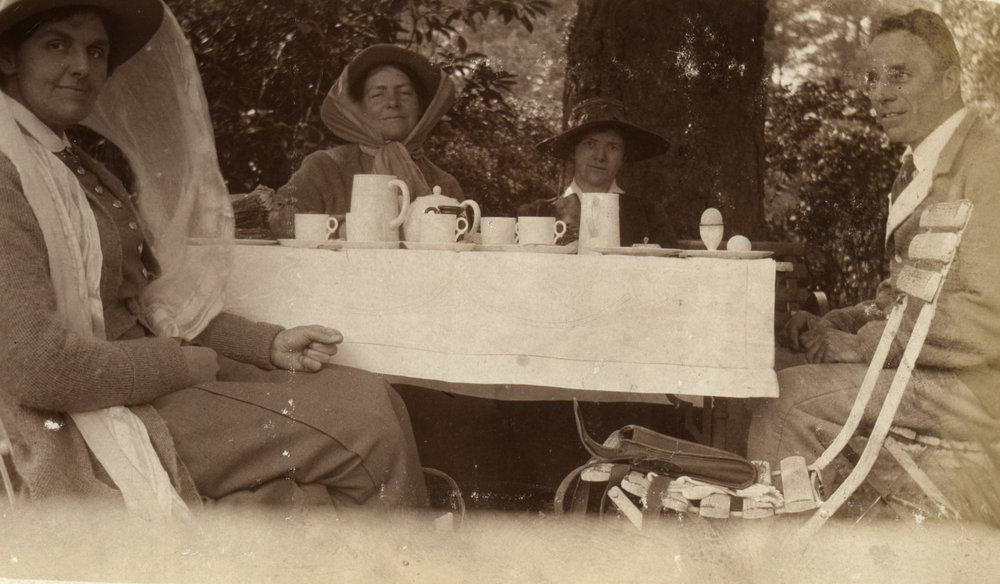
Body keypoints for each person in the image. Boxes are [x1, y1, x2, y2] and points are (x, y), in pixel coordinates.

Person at [0, 0, 428, 517]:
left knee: (370, 394)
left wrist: (265, 343)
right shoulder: (9, 175)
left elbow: (148, 306)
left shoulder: (73, 165)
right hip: (86, 412)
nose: (82, 66)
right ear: (7, 56)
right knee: (368, 433)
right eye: (56, 45)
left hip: (137, 379)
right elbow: (37, 367)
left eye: (96, 51)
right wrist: (177, 364)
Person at [748, 9, 1000, 521]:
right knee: (763, 376)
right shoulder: (918, 168)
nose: (878, 93)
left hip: (974, 391)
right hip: (932, 377)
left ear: (950, 81)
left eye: (899, 75)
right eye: (872, 76)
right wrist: (838, 323)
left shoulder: (988, 163)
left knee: (789, 400)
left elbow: (986, 317)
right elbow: (902, 297)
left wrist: (863, 346)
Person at [268, 44, 463, 238]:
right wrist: (342, 228)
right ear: (360, 111)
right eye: (378, 94)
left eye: (405, 93)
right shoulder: (324, 167)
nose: (393, 103)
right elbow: (280, 218)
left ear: (421, 107)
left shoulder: (444, 183)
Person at [518, 97, 677, 247]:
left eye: (612, 147)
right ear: (574, 151)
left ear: (623, 157)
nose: (600, 156)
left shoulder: (649, 215)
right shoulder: (537, 213)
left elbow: (670, 272)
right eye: (590, 144)